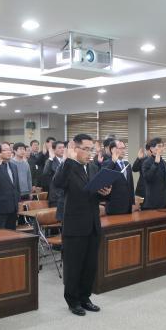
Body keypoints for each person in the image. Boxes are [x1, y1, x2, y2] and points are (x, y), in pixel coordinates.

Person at [53, 134, 111, 316]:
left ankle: (85, 297)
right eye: (85, 149)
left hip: (92, 223)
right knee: (74, 266)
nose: (89, 153)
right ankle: (73, 300)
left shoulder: (93, 167)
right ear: (75, 149)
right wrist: (69, 160)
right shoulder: (68, 167)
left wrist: (104, 192)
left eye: (91, 149)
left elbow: (94, 193)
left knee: (89, 265)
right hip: (75, 225)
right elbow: (57, 183)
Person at [103, 140, 135, 215]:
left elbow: (131, 185)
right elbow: (104, 178)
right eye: (120, 148)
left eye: (124, 148)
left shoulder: (127, 164)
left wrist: (132, 202)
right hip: (114, 206)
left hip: (127, 206)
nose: (123, 151)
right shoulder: (106, 163)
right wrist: (113, 162)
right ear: (112, 150)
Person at [141, 138, 166, 210]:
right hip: (152, 203)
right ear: (151, 149)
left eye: (162, 146)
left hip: (164, 202)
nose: (162, 148)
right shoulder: (146, 162)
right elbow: (147, 178)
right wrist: (155, 163)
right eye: (159, 146)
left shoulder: (164, 162)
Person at [41, 141, 65, 221]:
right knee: (56, 220)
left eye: (63, 147)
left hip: (66, 195)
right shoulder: (50, 161)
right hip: (56, 196)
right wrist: (51, 158)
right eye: (59, 148)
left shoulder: (67, 160)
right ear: (54, 150)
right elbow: (45, 173)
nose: (62, 149)